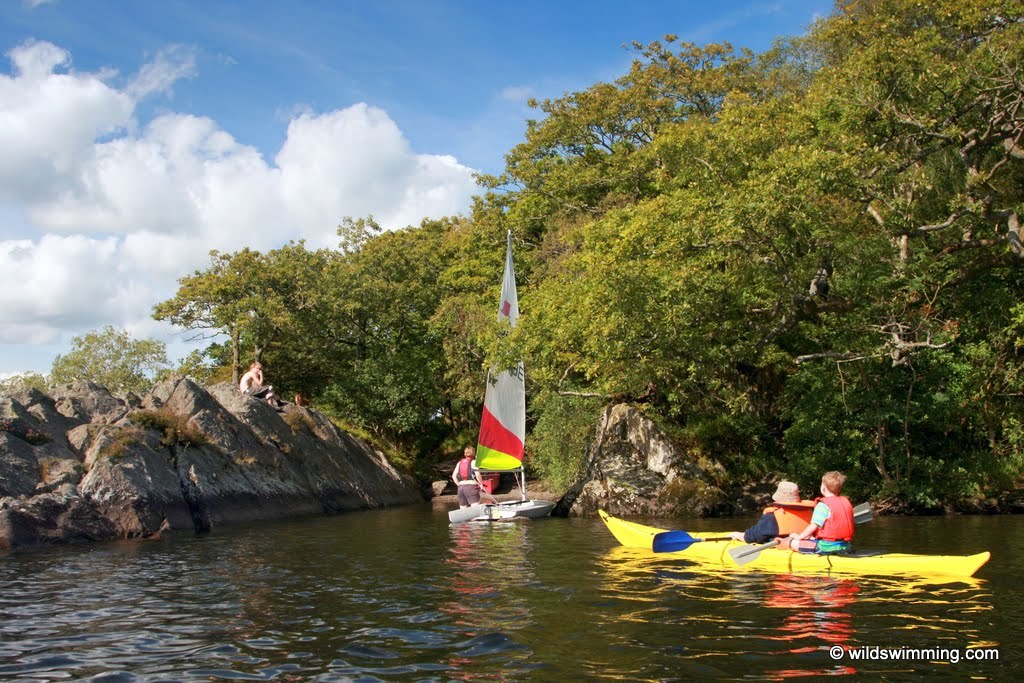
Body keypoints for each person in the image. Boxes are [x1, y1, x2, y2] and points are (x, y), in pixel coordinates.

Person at [788, 471, 855, 555]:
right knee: (811, 538)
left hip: (826, 547)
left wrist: (799, 536)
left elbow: (813, 526)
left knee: (792, 542)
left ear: (823, 487)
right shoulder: (846, 502)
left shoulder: (822, 505)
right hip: (845, 545)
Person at [729, 481, 816, 544]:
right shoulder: (810, 512)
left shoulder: (772, 516)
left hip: (781, 547)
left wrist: (736, 535)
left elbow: (752, 537)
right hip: (804, 544)